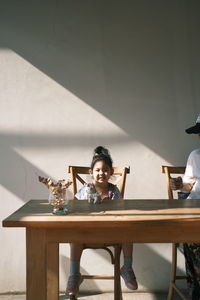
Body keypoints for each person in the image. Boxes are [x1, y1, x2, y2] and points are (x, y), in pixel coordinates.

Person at [66, 146, 138, 296]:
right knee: (74, 236)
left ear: (111, 173)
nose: (101, 173)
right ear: (91, 173)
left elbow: (122, 212)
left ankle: (127, 268)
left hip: (111, 232)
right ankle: (74, 275)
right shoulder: (86, 189)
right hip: (87, 232)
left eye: (105, 170)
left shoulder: (114, 191)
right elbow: (74, 207)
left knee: (128, 231)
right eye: (98, 170)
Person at [170, 114, 200, 300]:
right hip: (195, 210)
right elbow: (188, 186)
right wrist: (179, 185)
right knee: (192, 239)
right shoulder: (195, 156)